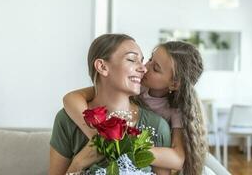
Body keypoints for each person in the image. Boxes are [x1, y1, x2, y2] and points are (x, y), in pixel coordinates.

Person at [64, 41, 208, 175]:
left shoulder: (176, 110)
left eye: (156, 68)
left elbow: (177, 159)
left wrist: (125, 145)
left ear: (174, 84)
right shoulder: (136, 86)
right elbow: (71, 98)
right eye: (150, 59)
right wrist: (96, 136)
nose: (145, 67)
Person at [49, 34, 172, 175]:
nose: (143, 69)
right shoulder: (66, 120)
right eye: (132, 59)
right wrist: (79, 162)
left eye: (142, 61)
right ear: (102, 67)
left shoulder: (157, 126)